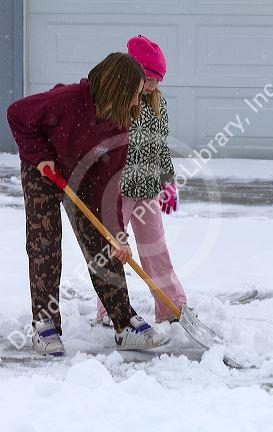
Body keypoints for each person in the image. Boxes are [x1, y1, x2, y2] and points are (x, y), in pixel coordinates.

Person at [7, 52, 170, 356]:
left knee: (102, 243)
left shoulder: (120, 125)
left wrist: (117, 234)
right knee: (45, 243)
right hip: (42, 169)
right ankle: (45, 325)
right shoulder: (67, 100)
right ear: (119, 89)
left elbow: (109, 188)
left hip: (81, 176)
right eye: (135, 94)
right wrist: (41, 155)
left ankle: (124, 323)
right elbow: (17, 114)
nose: (137, 103)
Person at [97, 37, 187, 326]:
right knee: (111, 252)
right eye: (148, 79)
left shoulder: (159, 104)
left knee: (156, 252)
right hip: (118, 192)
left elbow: (161, 146)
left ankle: (173, 308)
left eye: (157, 81)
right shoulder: (117, 105)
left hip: (147, 190)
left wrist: (168, 181)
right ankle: (110, 311)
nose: (151, 86)